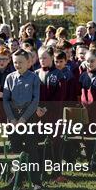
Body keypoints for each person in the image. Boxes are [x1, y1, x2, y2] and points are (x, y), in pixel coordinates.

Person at [2, 49, 42, 190]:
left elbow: (35, 100)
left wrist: (24, 119)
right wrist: (12, 119)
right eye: (15, 62)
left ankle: (36, 181)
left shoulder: (34, 78)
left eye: (20, 62)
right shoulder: (9, 78)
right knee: (15, 150)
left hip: (29, 117)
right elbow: (5, 100)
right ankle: (15, 180)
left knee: (32, 150)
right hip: (12, 118)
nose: (17, 65)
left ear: (28, 62)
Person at [35, 46, 66, 182]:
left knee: (55, 142)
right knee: (40, 142)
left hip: (53, 114)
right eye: (40, 57)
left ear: (52, 57)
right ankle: (42, 170)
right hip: (37, 114)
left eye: (45, 57)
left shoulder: (59, 74)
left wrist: (45, 109)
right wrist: (36, 108)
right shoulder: (35, 74)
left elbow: (59, 96)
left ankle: (57, 172)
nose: (42, 60)